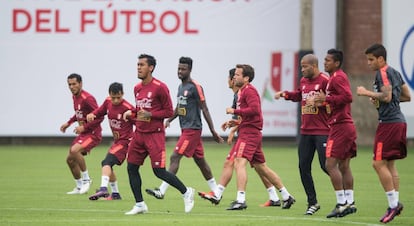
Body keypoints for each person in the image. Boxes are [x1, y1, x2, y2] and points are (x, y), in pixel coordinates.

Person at [203, 64, 295, 210]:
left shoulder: (249, 91)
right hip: (249, 131)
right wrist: (236, 121)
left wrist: (234, 110)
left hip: (249, 133)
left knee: (239, 162)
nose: (234, 76)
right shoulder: (241, 92)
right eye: (234, 75)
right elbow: (249, 114)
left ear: (246, 78)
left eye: (238, 74)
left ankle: (241, 200)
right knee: (262, 168)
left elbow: (255, 110)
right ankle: (286, 196)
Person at [123, 54, 195, 215]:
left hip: (154, 135)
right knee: (131, 168)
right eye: (137, 65)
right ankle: (140, 204)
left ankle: (186, 192)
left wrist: (150, 115)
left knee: (159, 171)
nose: (138, 67)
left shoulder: (160, 87)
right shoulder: (137, 88)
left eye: (142, 65)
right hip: (139, 134)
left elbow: (169, 111)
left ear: (151, 68)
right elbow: (140, 110)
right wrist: (131, 112)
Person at [145, 57, 224, 199]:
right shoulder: (181, 87)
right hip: (185, 129)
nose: (180, 71)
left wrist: (212, 131)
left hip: (192, 130)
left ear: (190, 70)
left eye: (183, 69)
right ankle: (216, 193)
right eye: (179, 69)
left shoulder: (195, 87)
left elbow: (204, 108)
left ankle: (162, 190)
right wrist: (169, 119)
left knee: (175, 156)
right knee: (200, 161)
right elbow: (179, 107)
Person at [356, 43, 410, 223]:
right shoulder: (395, 72)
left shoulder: (384, 72)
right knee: (390, 165)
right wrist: (379, 98)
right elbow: (406, 96)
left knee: (378, 164)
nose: (369, 63)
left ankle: (394, 205)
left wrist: (366, 93)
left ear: (381, 59)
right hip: (399, 122)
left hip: (389, 124)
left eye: (371, 59)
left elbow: (386, 96)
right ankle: (394, 205)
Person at [274, 54, 330, 215]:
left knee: (326, 166)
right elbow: (299, 94)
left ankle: (344, 197)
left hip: (322, 131)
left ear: (314, 65)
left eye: (305, 66)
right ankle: (312, 202)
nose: (302, 69)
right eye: (301, 66)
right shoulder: (304, 81)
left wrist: (322, 101)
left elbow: (335, 101)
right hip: (306, 131)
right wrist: (285, 94)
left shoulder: (325, 80)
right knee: (303, 167)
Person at [308, 49, 357, 218]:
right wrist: (322, 103)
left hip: (341, 127)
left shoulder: (338, 77)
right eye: (325, 59)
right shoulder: (333, 79)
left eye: (328, 60)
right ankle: (350, 202)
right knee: (344, 166)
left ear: (336, 63)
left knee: (330, 165)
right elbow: (336, 102)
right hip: (344, 125)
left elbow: (348, 97)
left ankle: (341, 203)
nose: (325, 62)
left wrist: (325, 99)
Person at [86, 82, 135, 201]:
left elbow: (139, 123)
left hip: (125, 142)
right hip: (117, 141)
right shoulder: (108, 102)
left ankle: (103, 188)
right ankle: (115, 194)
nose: (116, 100)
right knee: (108, 165)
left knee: (106, 162)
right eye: (113, 97)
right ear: (109, 95)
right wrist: (92, 114)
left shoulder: (128, 108)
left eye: (119, 97)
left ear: (123, 94)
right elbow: (100, 111)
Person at [60, 73, 103, 195]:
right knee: (70, 160)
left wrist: (84, 127)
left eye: (74, 84)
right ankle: (79, 186)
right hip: (84, 134)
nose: (72, 87)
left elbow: (99, 116)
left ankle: (86, 179)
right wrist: (68, 123)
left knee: (74, 151)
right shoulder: (75, 97)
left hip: (93, 134)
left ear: (80, 83)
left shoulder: (88, 98)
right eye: (69, 84)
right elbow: (78, 113)